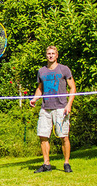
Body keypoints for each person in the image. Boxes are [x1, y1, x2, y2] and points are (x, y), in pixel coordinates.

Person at [29, 45, 76, 173]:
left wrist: (69, 104)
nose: (50, 55)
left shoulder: (64, 69)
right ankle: (46, 164)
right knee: (43, 136)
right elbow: (40, 88)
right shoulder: (41, 71)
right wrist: (35, 98)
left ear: (57, 55)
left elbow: (73, 88)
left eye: (52, 53)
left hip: (61, 107)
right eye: (48, 53)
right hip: (45, 108)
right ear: (46, 55)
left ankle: (66, 163)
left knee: (64, 136)